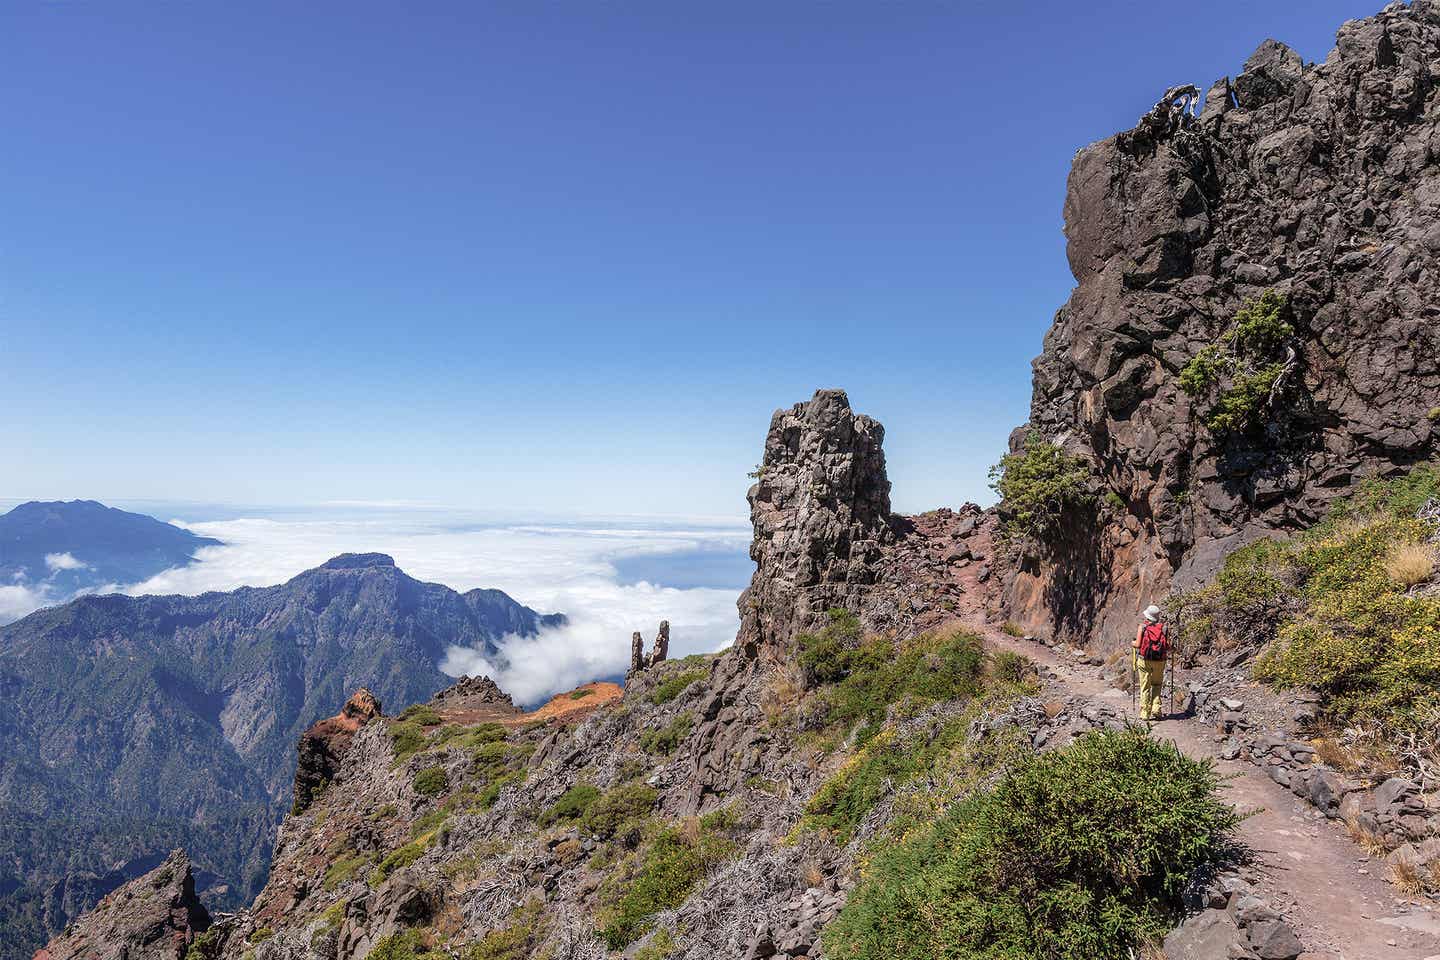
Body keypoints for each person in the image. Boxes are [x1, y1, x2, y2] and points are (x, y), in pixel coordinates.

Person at [1133, 604, 1169, 721]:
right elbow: (1167, 646)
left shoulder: (1142, 627)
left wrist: (1132, 643)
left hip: (1144, 659)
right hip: (1160, 660)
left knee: (1145, 686)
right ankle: (1156, 709)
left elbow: (1138, 645)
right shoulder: (1164, 628)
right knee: (1157, 684)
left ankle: (1144, 713)